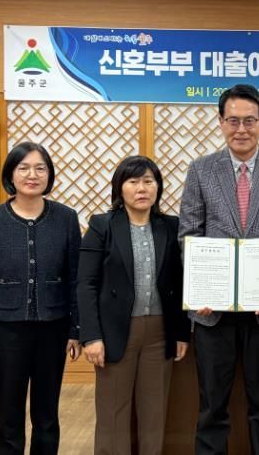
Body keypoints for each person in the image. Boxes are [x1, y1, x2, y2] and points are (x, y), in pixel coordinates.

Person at [179, 84, 259, 454]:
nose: (241, 129)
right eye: (233, 121)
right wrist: (202, 286)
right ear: (221, 122)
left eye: (249, 121)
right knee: (211, 406)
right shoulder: (201, 170)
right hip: (212, 311)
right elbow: (189, 235)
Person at [0, 141, 81, 454]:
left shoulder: (66, 218)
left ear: (49, 175)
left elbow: (76, 278)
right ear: (11, 174)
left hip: (53, 328)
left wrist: (75, 330)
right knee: (8, 415)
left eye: (40, 168)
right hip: (5, 331)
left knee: (47, 415)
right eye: (24, 168)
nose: (33, 175)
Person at [77, 155, 189, 454]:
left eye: (149, 181)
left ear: (158, 187)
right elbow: (86, 284)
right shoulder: (102, 226)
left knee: (155, 412)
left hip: (159, 332)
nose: (142, 188)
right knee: (113, 412)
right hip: (114, 331)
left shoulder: (170, 226)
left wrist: (181, 332)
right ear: (120, 188)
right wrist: (91, 336)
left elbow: (179, 284)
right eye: (133, 181)